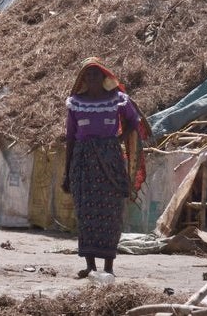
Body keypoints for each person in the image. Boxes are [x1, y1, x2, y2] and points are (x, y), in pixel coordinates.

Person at [62, 57, 147, 279]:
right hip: (83, 162)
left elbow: (134, 120)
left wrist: (118, 138)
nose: (91, 79)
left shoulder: (117, 99)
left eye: (95, 75)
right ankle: (91, 266)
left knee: (111, 211)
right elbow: (70, 137)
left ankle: (109, 267)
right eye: (87, 75)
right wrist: (66, 172)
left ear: (103, 78)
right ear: (82, 79)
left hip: (110, 159)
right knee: (86, 213)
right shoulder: (75, 102)